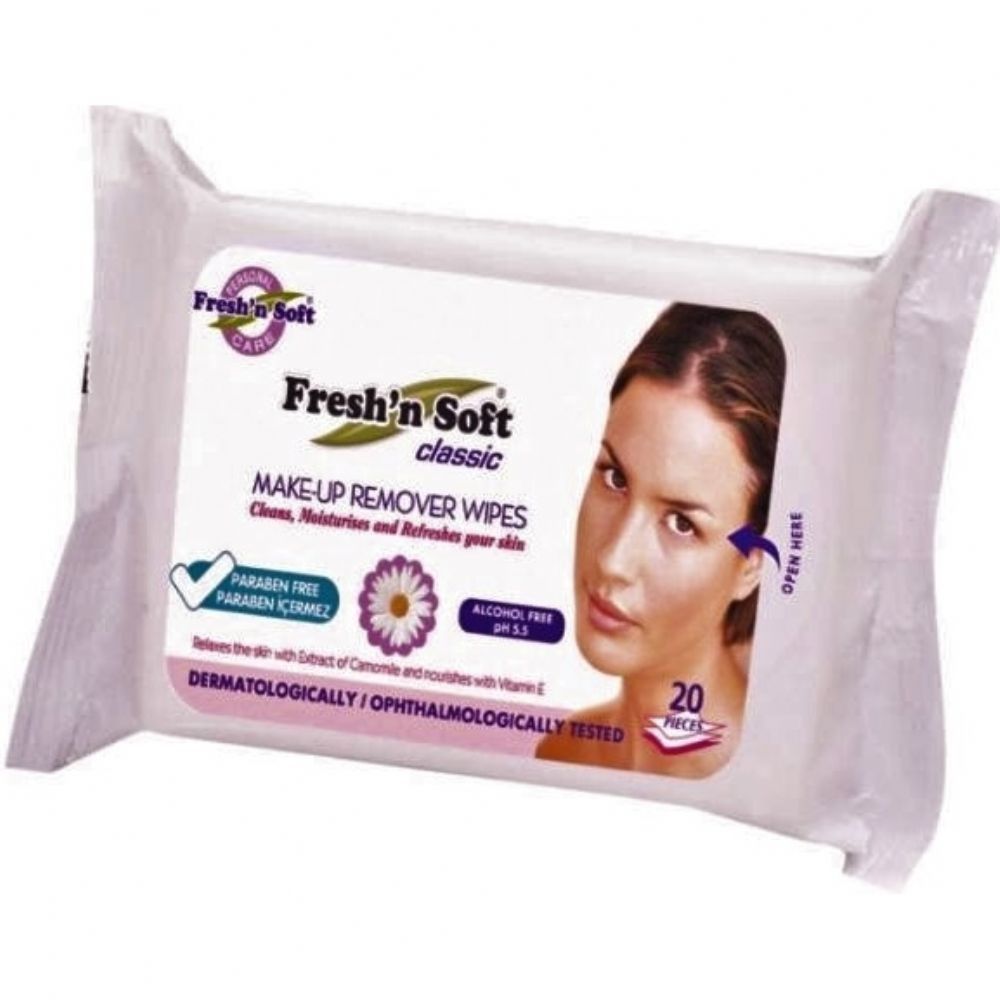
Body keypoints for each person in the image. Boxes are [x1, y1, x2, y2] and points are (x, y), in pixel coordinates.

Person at [536, 303, 786, 778]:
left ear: (752, 563)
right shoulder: (563, 751)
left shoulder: (762, 782)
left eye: (681, 524)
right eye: (614, 478)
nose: (612, 560)